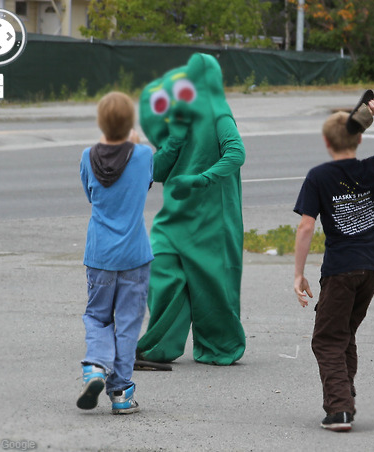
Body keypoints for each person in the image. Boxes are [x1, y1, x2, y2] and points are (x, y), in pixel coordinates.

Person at [293, 91, 374, 432]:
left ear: (326, 141)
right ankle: (344, 394)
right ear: (360, 137)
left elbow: (306, 226)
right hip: (372, 267)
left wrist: (298, 273)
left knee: (326, 338)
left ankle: (339, 410)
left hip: (340, 269)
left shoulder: (318, 176)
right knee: (344, 332)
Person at [135, 53, 246, 366]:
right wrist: (174, 141)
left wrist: (201, 179)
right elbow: (156, 172)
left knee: (213, 284)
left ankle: (221, 346)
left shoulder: (219, 114)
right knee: (163, 272)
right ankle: (158, 347)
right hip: (177, 218)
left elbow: (236, 153)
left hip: (214, 217)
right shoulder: (181, 116)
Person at [76, 91, 154, 414]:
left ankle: (95, 366)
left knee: (97, 315)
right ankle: (121, 392)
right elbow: (147, 179)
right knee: (128, 323)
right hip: (135, 255)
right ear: (131, 125)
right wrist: (134, 140)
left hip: (100, 254)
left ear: (100, 123)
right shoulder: (143, 155)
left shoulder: (86, 156)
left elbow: (89, 193)